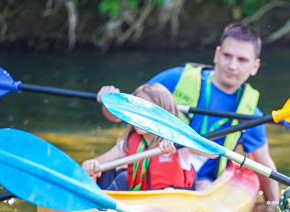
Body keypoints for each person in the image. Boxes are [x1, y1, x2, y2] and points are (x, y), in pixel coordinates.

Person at [96, 22, 279, 201]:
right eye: (227, 55)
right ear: (217, 54)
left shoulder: (250, 115)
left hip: (201, 182)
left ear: (255, 66)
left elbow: (263, 165)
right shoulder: (174, 80)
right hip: (150, 165)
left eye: (242, 60)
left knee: (203, 189)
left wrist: (273, 208)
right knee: (116, 173)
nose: (232, 65)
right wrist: (109, 102)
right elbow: (122, 116)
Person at [82, 83, 194, 191]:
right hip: (139, 202)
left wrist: (179, 140)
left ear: (167, 116)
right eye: (136, 110)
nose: (139, 116)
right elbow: (92, 166)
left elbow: (211, 154)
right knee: (121, 178)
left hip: (171, 203)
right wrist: (90, 165)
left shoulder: (179, 143)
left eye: (146, 111)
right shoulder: (126, 144)